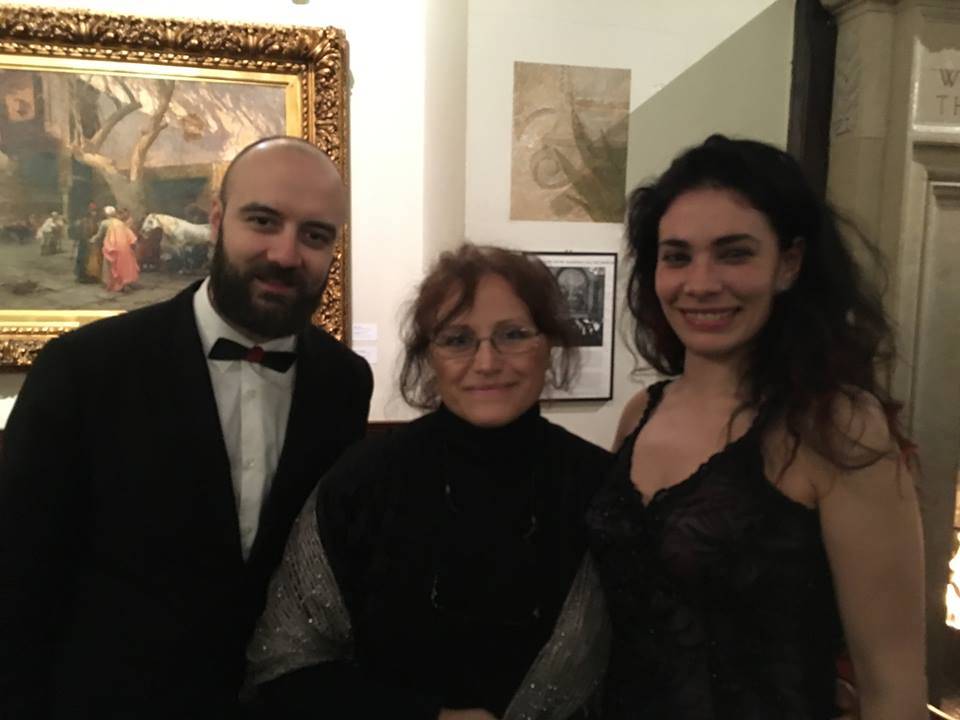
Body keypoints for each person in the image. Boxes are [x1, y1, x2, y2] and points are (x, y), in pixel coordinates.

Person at [0, 136, 374, 719]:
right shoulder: (84, 367)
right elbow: (17, 574)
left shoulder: (345, 382)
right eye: (262, 221)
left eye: (315, 235)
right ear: (218, 221)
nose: (285, 253)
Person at [586, 134, 926, 719]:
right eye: (677, 256)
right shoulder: (641, 412)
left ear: (788, 264)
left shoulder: (837, 426)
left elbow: (892, 684)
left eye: (734, 253)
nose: (700, 283)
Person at [246, 244, 613, 720]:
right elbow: (284, 665)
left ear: (549, 345)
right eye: (458, 340)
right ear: (429, 356)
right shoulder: (362, 482)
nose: (487, 362)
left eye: (513, 335)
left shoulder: (601, 487)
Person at [93, 204, 140, 291]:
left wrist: (92, 240)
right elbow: (130, 236)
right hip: (124, 246)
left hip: (112, 246)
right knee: (122, 265)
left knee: (110, 266)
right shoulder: (120, 223)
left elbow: (99, 235)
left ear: (106, 214)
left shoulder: (104, 223)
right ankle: (125, 282)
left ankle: (113, 283)